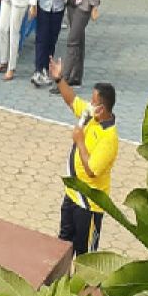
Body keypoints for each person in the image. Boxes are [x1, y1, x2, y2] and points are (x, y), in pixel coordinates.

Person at [48, 57, 118, 256]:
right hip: (72, 196)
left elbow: (92, 170)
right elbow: (72, 100)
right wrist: (59, 79)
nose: (90, 103)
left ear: (102, 109)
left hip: (89, 205)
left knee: (85, 257)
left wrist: (79, 140)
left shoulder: (109, 139)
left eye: (94, 101)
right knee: (62, 247)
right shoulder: (91, 114)